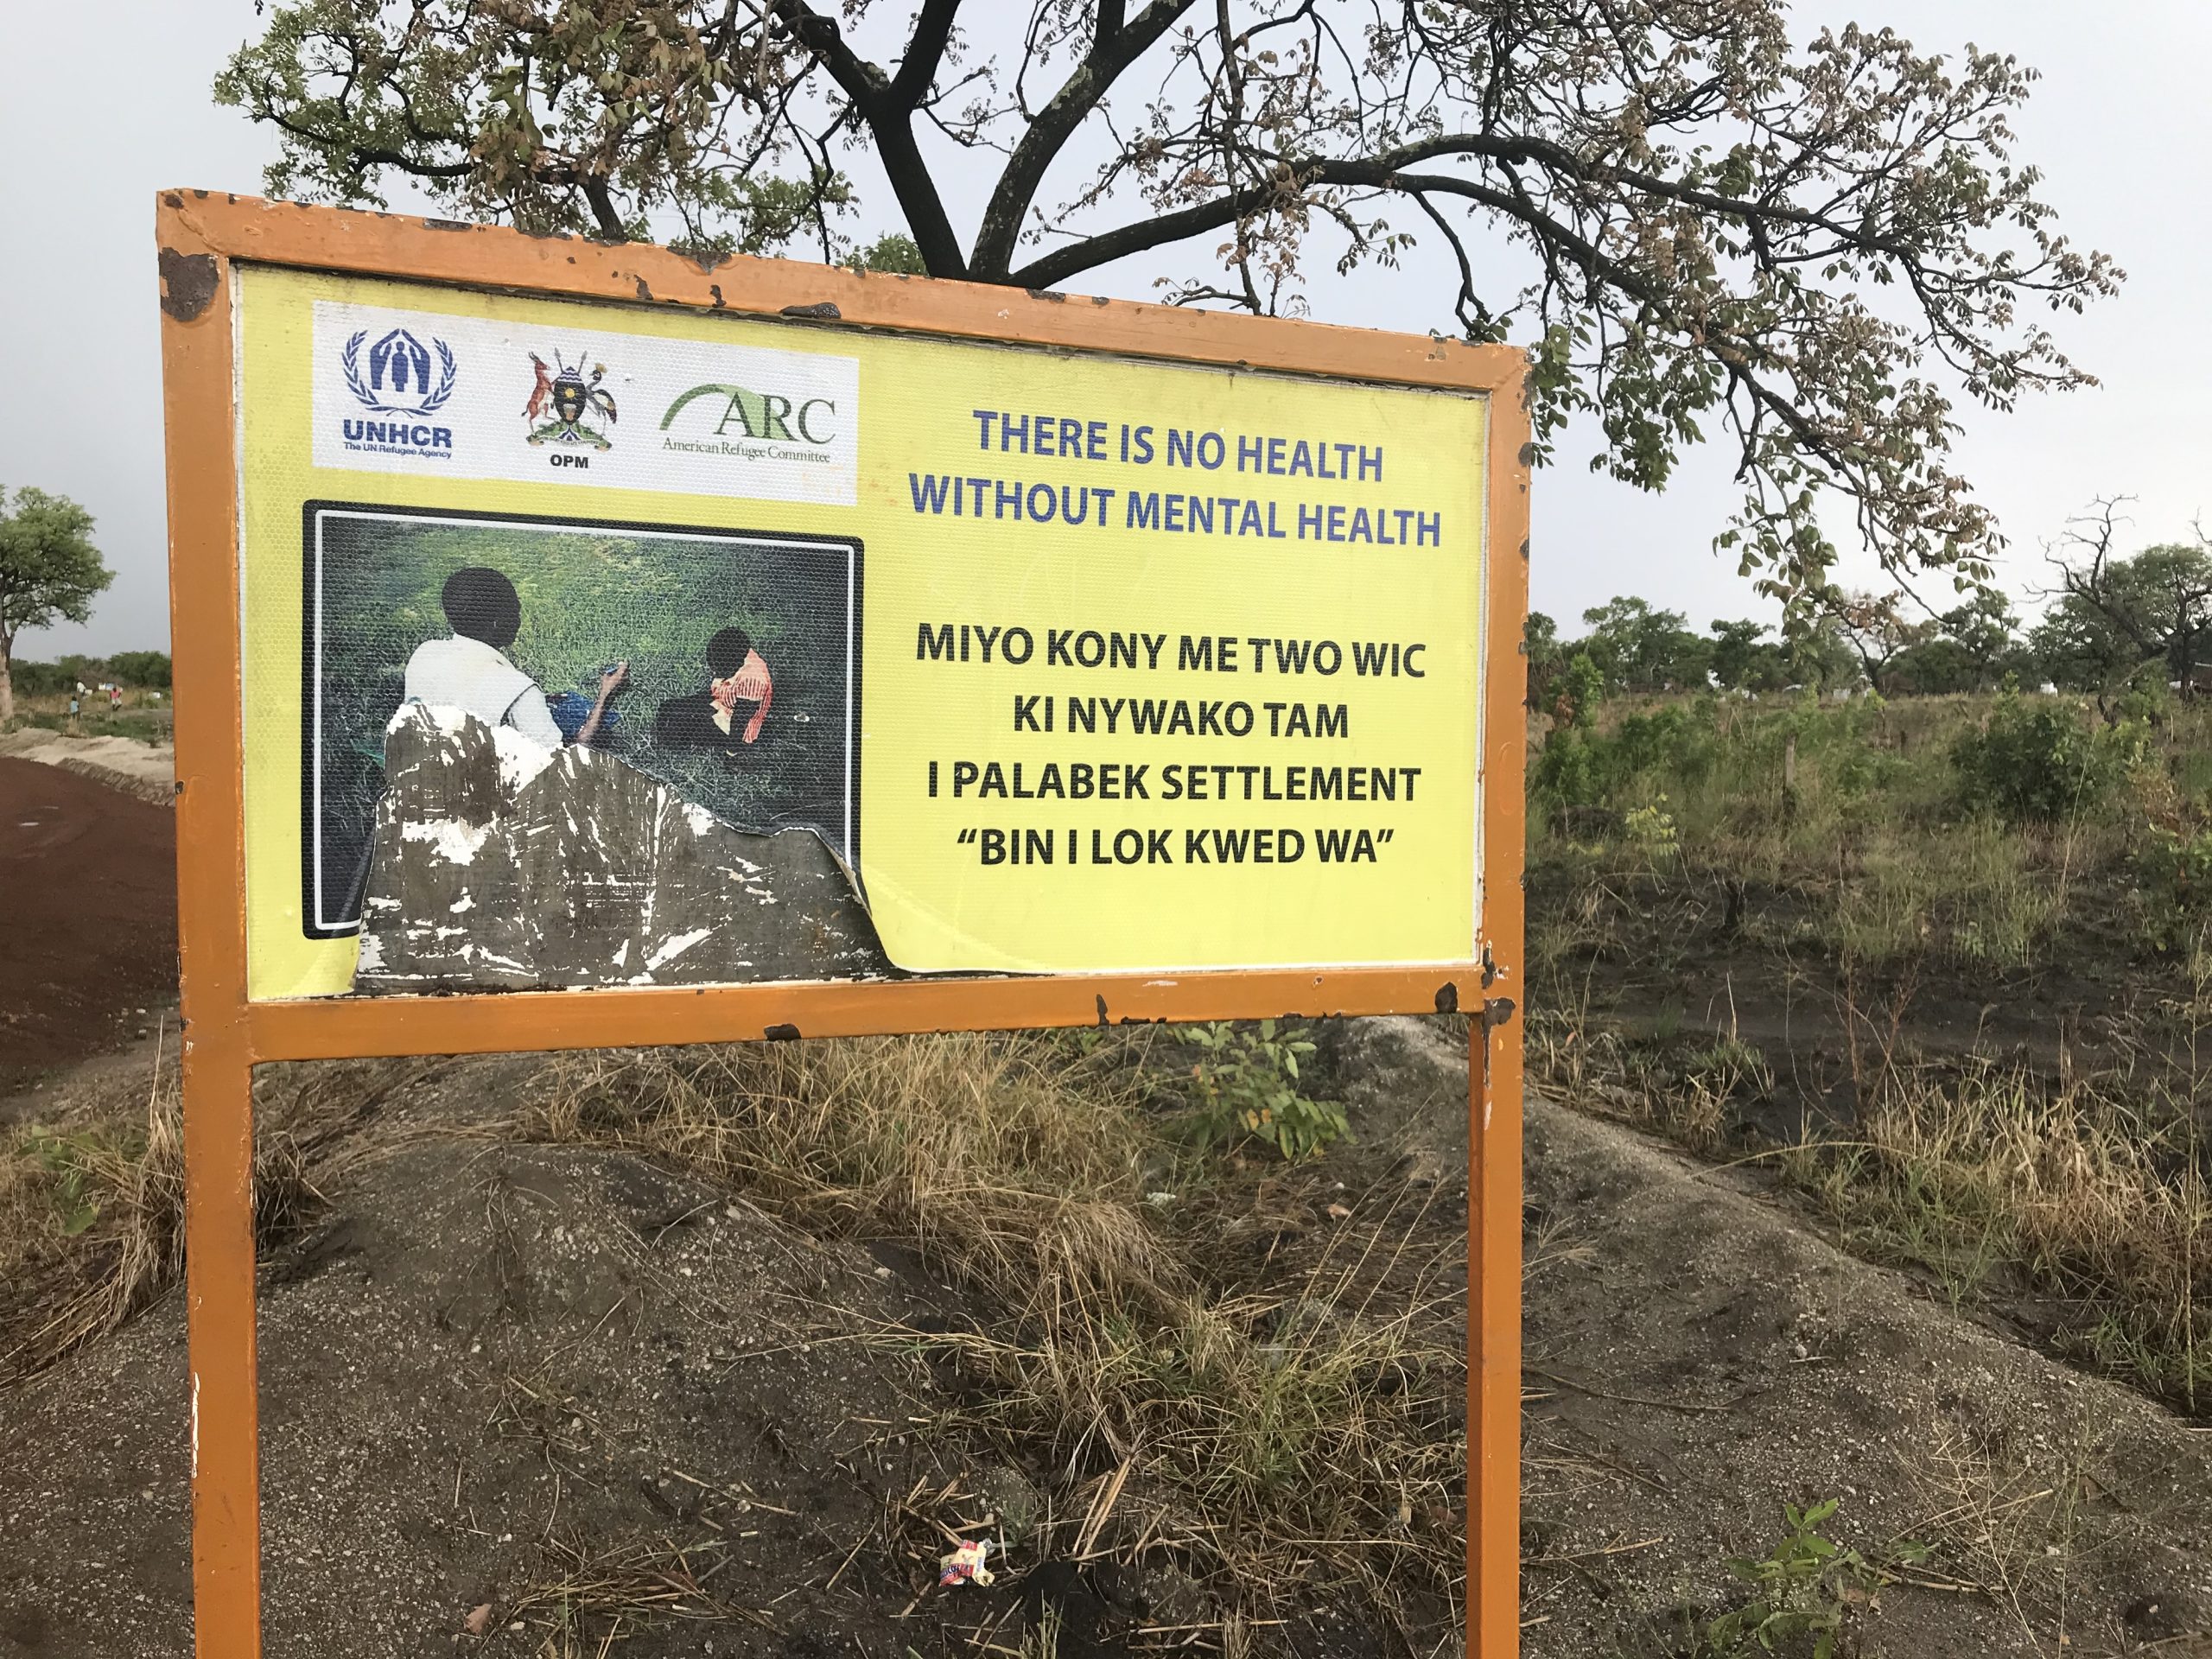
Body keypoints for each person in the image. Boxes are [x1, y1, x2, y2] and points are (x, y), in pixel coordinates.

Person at [403, 566, 624, 748]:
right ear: (499, 622)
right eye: (515, 610)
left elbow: (463, 692)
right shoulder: (516, 687)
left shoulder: (425, 653)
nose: (519, 618)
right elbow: (565, 765)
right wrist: (605, 696)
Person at [654, 626, 773, 753]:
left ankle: (672, 747)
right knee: (669, 706)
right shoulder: (738, 655)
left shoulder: (754, 678)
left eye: (718, 669)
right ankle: (663, 739)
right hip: (723, 703)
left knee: (684, 723)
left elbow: (740, 721)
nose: (714, 672)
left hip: (733, 727)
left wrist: (731, 752)